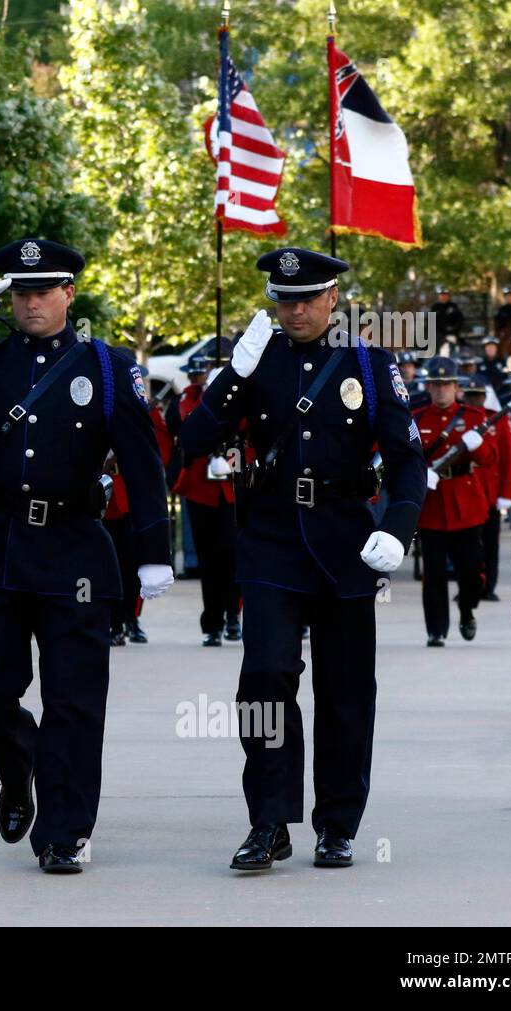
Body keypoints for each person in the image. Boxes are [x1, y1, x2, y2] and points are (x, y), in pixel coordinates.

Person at [0, 237, 174, 873]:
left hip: (73, 550)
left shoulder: (106, 366)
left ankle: (65, 831)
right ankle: (18, 761)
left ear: (68, 294)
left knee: (74, 699)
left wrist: (153, 551)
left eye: (43, 290)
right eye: (20, 292)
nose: (30, 302)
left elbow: (141, 460)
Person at [180, 247, 426, 871]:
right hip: (271, 539)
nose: (294, 311)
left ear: (332, 299)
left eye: (306, 299)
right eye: (283, 300)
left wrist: (398, 528)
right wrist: (231, 375)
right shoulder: (254, 360)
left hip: (346, 542)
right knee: (265, 677)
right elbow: (193, 442)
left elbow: (407, 460)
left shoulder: (368, 364)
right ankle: (268, 820)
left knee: (345, 691)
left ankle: (337, 822)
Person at [412, 357, 496, 646]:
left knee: (471, 570)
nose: (441, 391)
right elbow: (407, 457)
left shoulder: (473, 417)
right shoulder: (418, 418)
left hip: (466, 502)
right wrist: (418, 474)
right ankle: (436, 630)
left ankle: (467, 609)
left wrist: (479, 445)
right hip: (432, 505)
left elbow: (490, 459)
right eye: (435, 385)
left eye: (446, 385)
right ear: (428, 387)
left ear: (456, 387)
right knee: (433, 575)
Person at [166, 353, 240, 646]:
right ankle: (213, 623)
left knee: (234, 555)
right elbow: (181, 429)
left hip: (233, 488)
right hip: (201, 488)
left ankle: (234, 616)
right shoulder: (188, 401)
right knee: (209, 561)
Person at [461, 377, 511, 601]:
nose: (474, 400)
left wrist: (506, 494)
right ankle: (470, 587)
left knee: (490, 545)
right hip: (464, 494)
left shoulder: (498, 419)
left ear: (485, 396)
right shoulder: (459, 418)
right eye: (470, 395)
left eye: (478, 395)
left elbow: (510, 459)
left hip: (489, 494)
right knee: (466, 547)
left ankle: (489, 586)